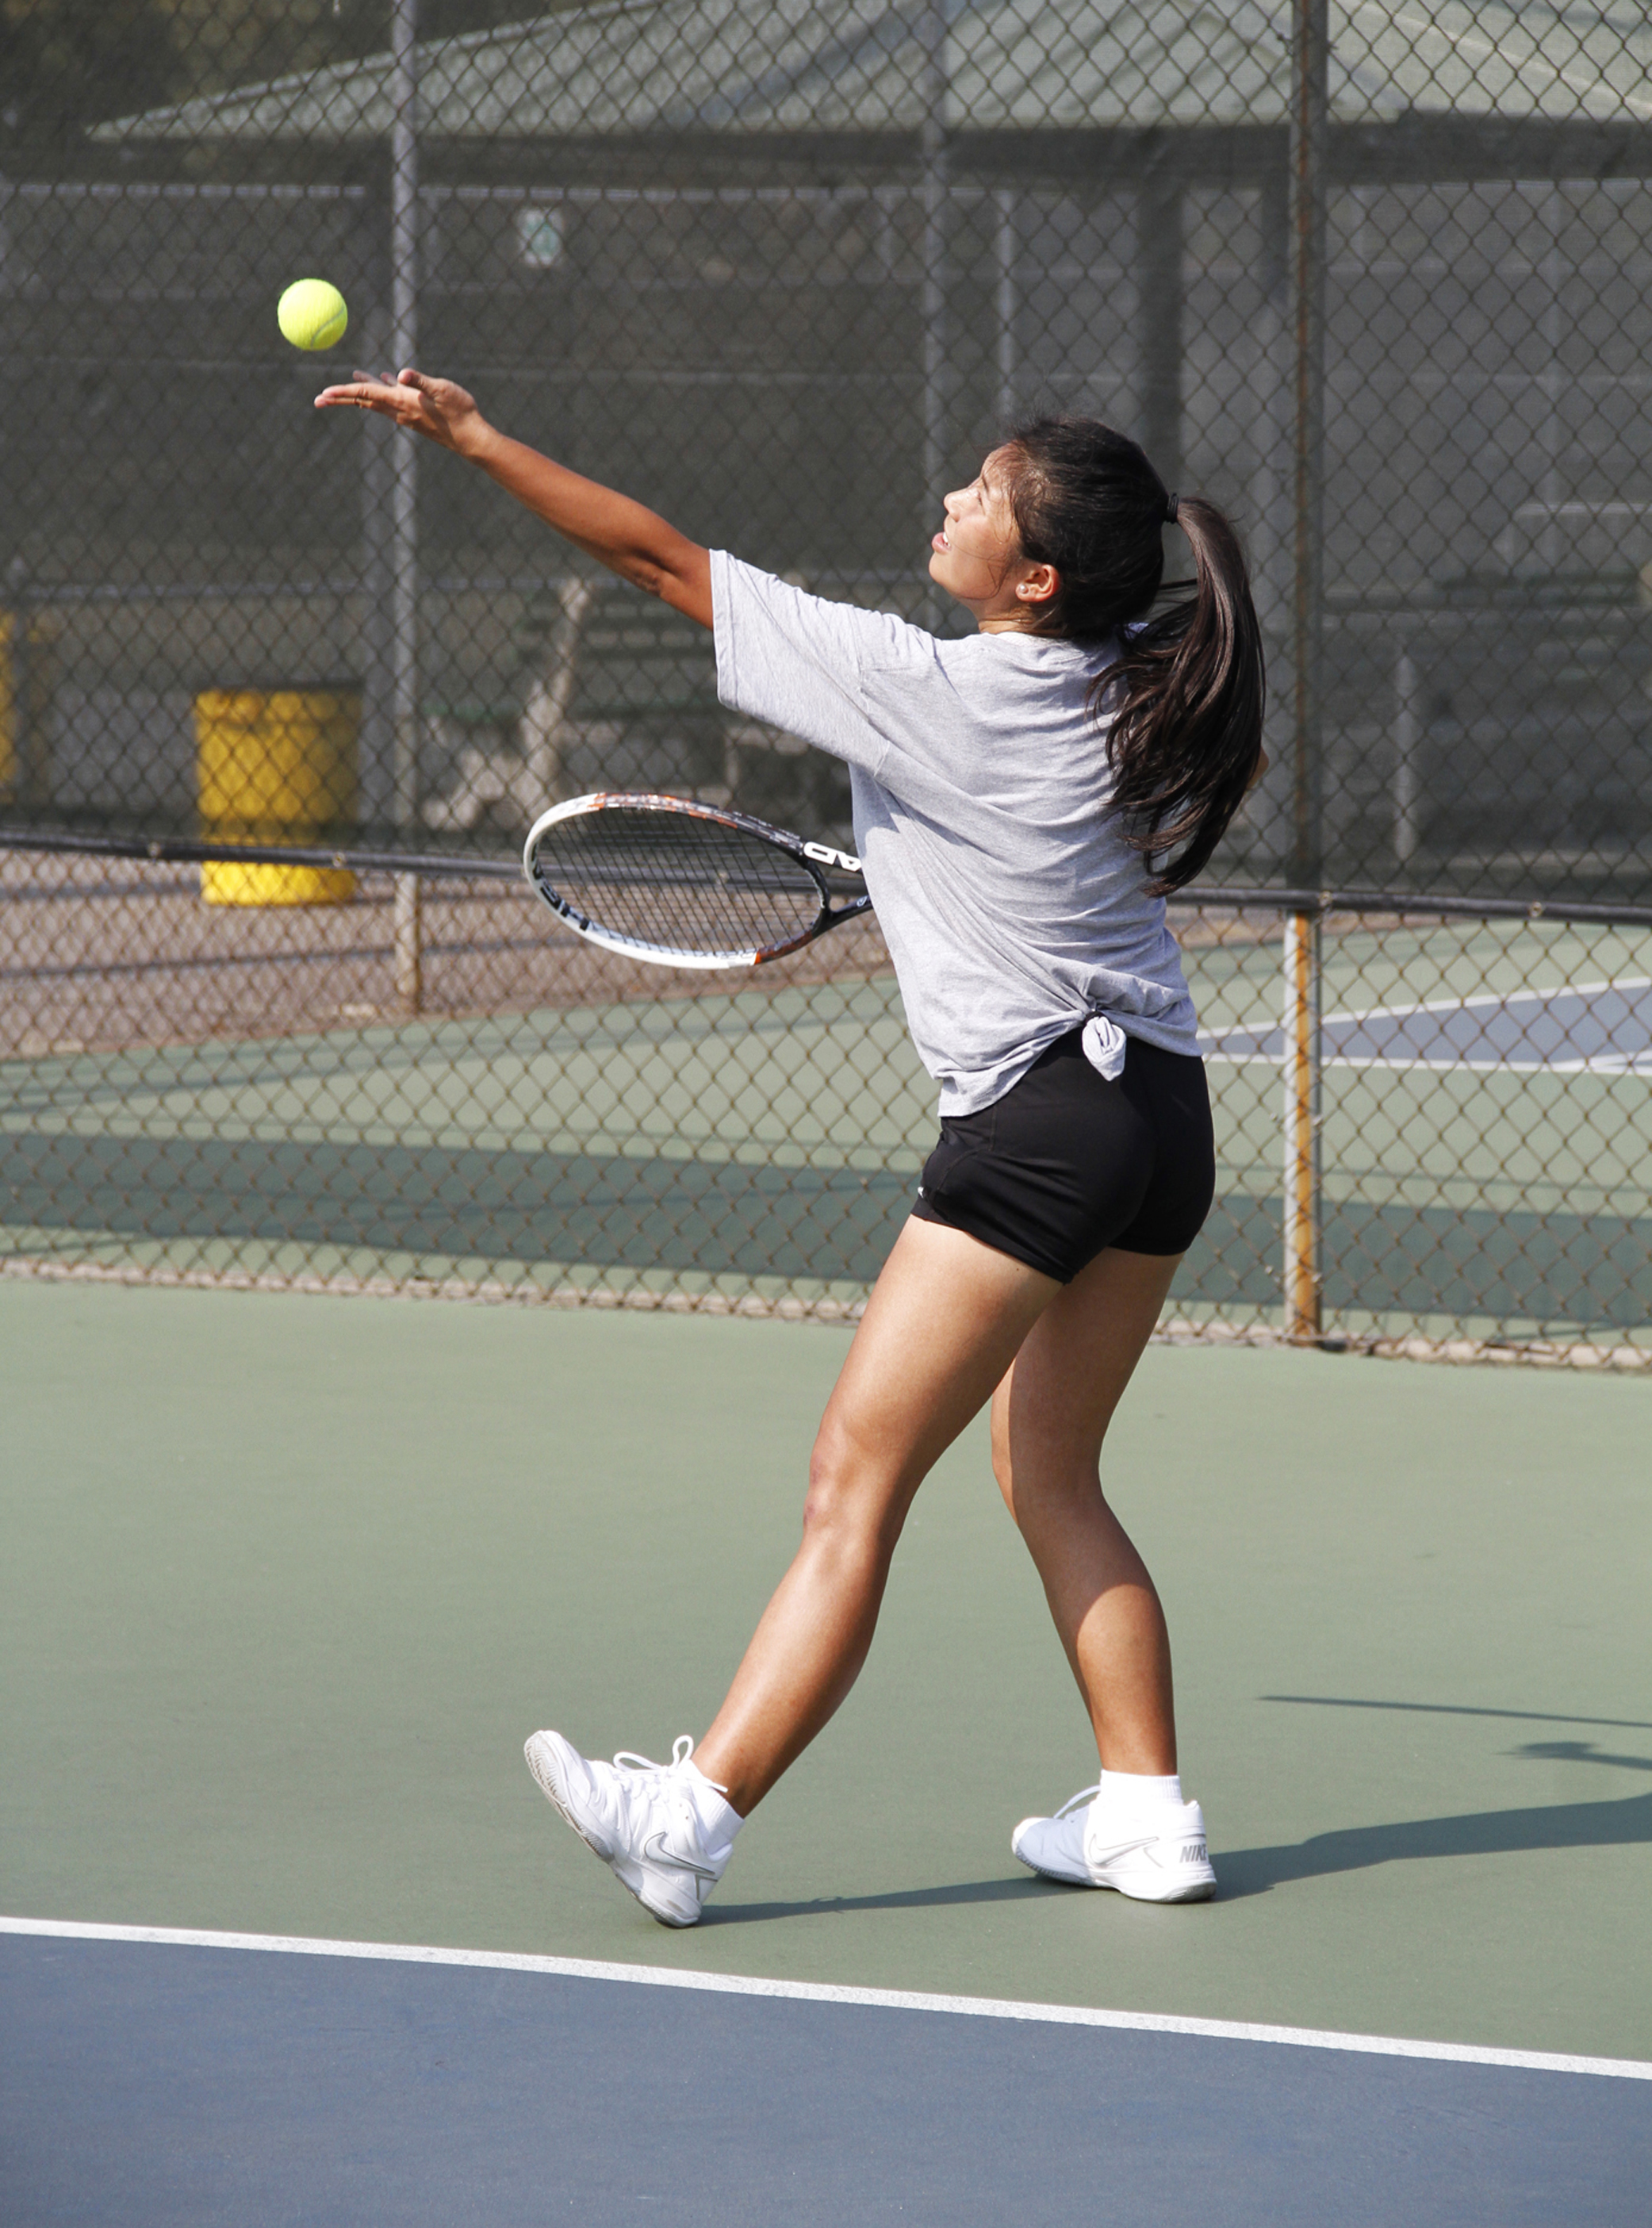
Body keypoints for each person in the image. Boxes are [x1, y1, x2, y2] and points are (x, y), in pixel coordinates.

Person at [319, 370, 1267, 1926]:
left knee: (853, 1481)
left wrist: (479, 438)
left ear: (1034, 578)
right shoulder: (1127, 685)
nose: (953, 498)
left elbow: (660, 564)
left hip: (1032, 1125)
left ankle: (693, 1814)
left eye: (986, 492)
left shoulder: (916, 683)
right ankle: (1148, 1812)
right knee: (1051, 1469)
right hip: (1161, 1112)